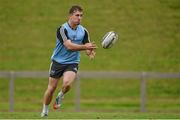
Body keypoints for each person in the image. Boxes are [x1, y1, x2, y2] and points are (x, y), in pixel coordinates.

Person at [41, 5, 97, 117]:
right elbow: (69, 46)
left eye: (81, 16)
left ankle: (61, 95)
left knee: (67, 84)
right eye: (77, 15)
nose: (79, 18)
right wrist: (85, 47)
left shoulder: (84, 31)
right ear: (70, 16)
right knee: (51, 89)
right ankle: (45, 110)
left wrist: (90, 52)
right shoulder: (62, 29)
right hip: (57, 61)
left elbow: (87, 46)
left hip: (72, 62)